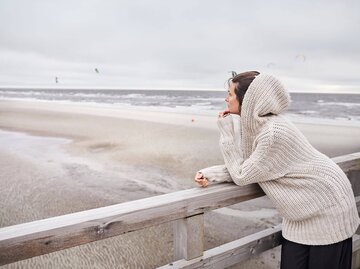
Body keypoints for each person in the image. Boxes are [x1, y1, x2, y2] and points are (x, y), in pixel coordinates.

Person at [194, 71, 359, 269]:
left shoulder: (273, 133)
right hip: (301, 213)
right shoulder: (261, 127)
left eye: (230, 94)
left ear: (248, 99)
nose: (226, 99)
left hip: (328, 208)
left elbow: (242, 174)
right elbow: (255, 167)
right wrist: (211, 175)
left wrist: (227, 133)